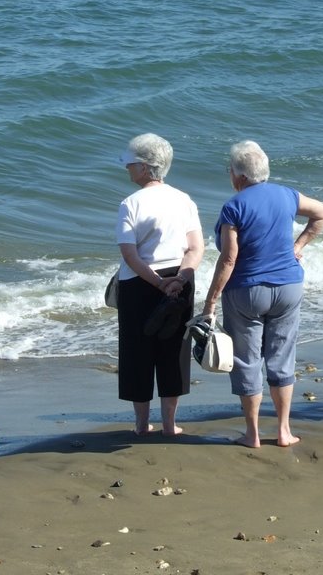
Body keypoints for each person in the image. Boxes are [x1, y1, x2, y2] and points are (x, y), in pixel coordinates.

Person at [203, 140, 323, 448]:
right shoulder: (286, 195)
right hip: (288, 287)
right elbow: (322, 213)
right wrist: (297, 247)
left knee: (247, 361)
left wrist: (210, 301)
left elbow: (229, 258)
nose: (230, 176)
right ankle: (284, 431)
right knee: (281, 357)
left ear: (240, 176)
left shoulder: (235, 206)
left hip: (247, 291)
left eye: (230, 170)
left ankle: (253, 434)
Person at [115, 133, 205, 436]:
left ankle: (142, 424)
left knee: (136, 352)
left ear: (143, 167)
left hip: (140, 284)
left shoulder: (130, 204)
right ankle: (169, 424)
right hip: (181, 280)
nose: (127, 169)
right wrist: (180, 279)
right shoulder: (184, 199)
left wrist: (157, 283)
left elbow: (129, 254)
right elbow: (196, 248)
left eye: (129, 164)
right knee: (174, 350)